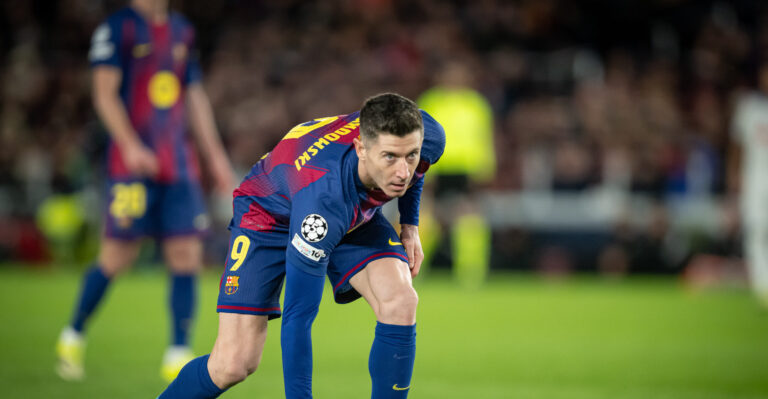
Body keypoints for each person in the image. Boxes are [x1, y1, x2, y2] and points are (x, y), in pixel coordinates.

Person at [158, 93, 445, 398]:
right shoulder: (322, 202)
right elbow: (298, 316)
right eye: (390, 157)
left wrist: (409, 224)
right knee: (233, 364)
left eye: (410, 156)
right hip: (268, 215)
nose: (403, 172)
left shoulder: (426, 135)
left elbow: (419, 168)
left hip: (350, 203)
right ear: (362, 147)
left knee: (400, 301)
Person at [55, 0, 234, 382]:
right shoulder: (117, 29)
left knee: (186, 254)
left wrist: (216, 157)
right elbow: (104, 94)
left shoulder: (182, 30)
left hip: (179, 165)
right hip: (130, 166)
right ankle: (73, 333)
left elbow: (194, 97)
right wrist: (130, 144)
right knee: (118, 256)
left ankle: (178, 352)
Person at [729, 57, 768, 307]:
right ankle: (762, 286)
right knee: (756, 231)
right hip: (756, 179)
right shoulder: (749, 108)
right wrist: (733, 176)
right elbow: (736, 147)